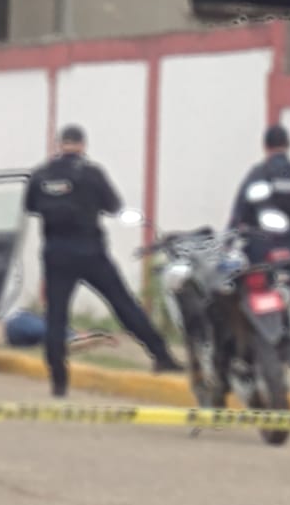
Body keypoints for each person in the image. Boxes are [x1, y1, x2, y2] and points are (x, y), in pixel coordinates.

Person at [23, 124, 181, 398]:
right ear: (83, 145)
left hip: (56, 253)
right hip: (90, 251)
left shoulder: (40, 175)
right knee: (123, 304)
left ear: (60, 144)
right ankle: (161, 355)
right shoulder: (91, 173)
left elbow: (31, 207)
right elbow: (114, 206)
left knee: (56, 316)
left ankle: (58, 380)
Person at [230, 123, 290, 253]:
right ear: (288, 144)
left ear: (265, 146)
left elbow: (239, 215)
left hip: (263, 253)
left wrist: (228, 245)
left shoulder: (257, 175)